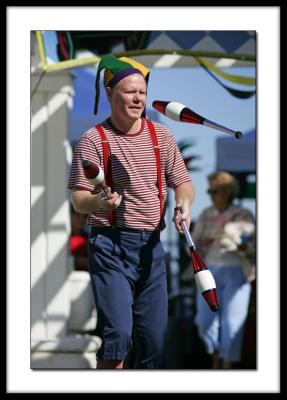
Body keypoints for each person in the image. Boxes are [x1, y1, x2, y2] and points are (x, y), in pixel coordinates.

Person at [67, 54, 195, 369]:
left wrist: (184, 204)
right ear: (110, 94)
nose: (138, 98)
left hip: (152, 247)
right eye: (129, 92)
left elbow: (183, 183)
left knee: (154, 343)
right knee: (119, 337)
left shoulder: (161, 136)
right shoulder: (92, 140)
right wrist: (99, 203)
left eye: (142, 92)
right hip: (109, 244)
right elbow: (79, 200)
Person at [190, 171, 255, 369]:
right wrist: (203, 242)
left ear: (227, 191)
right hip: (209, 271)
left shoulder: (243, 215)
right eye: (209, 190)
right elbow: (190, 244)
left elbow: (254, 248)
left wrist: (236, 243)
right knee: (204, 321)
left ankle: (225, 367)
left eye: (214, 190)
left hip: (237, 271)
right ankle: (215, 358)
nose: (210, 195)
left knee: (233, 323)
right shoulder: (206, 214)